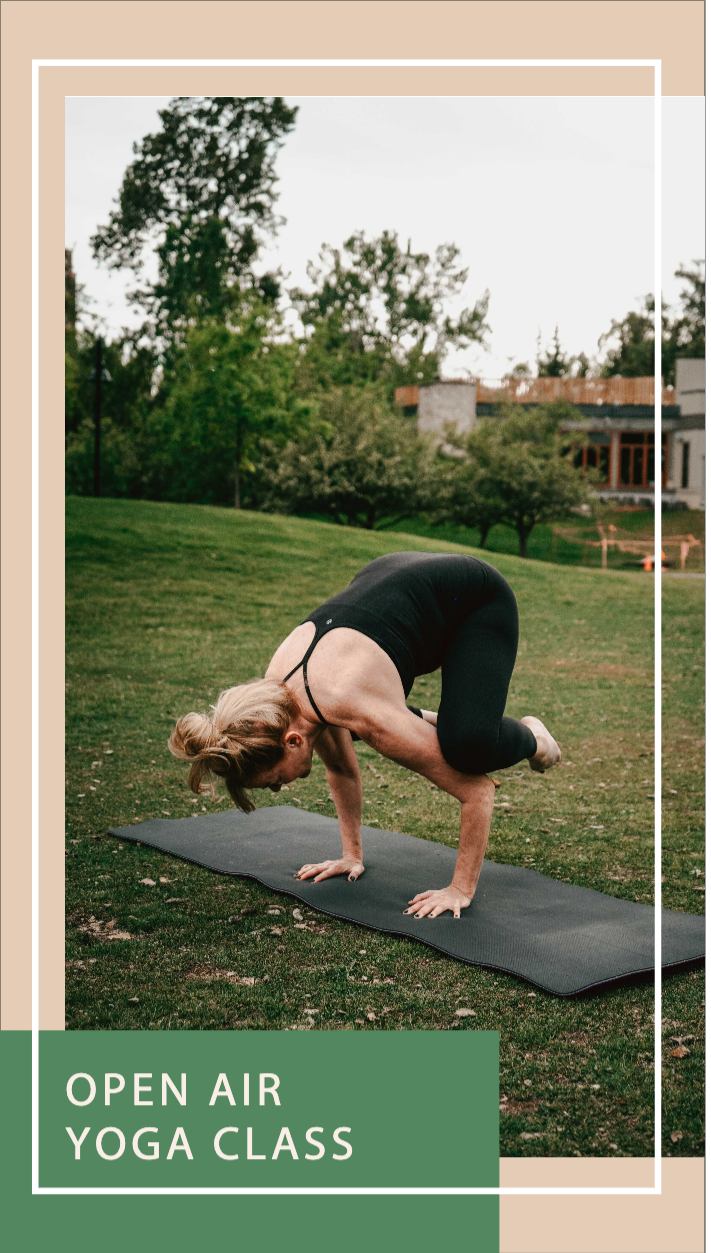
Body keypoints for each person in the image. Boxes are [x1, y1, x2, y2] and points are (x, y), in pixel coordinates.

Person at [169, 552, 560, 918]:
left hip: (474, 601)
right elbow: (340, 769)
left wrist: (459, 889)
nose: (278, 789)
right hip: (394, 581)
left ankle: (532, 737)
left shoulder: (349, 704)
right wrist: (350, 855)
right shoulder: (282, 701)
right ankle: (430, 720)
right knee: (362, 725)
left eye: (273, 781)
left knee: (467, 747)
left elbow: (477, 791)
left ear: (292, 742)